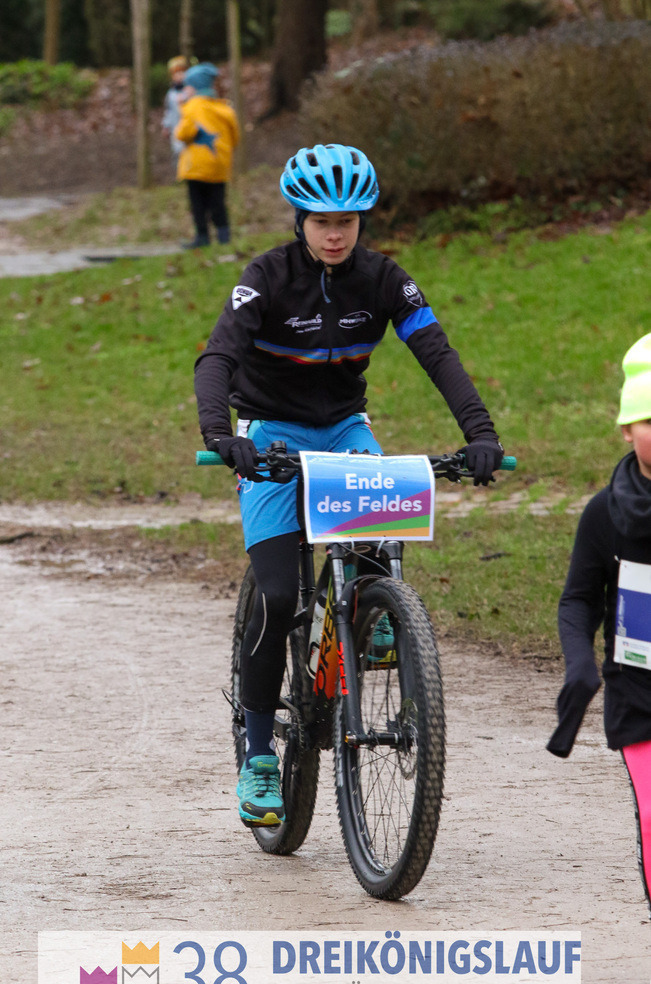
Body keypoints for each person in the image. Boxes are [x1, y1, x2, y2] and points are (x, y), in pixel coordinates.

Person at [194, 143, 505, 827]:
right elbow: (216, 357)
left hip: (342, 431)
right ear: (299, 219)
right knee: (277, 594)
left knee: (377, 540)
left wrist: (480, 435)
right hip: (271, 430)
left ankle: (371, 616)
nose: (335, 234)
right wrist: (224, 437)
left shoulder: (384, 280)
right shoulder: (266, 277)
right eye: (320, 221)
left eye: (348, 221)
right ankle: (257, 753)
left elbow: (436, 353)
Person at [547, 332, 651, 915]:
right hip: (641, 691)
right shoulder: (604, 513)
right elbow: (577, 600)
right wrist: (580, 664)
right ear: (626, 428)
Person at [174, 62, 239, 249]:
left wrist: (181, 107)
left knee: (198, 205)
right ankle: (224, 235)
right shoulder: (225, 108)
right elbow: (235, 138)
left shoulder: (192, 107)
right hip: (219, 165)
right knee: (218, 202)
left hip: (197, 167)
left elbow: (183, 134)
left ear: (193, 88)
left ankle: (202, 237)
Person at [161, 56, 191, 166]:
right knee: (178, 151)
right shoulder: (170, 94)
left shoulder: (190, 91)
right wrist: (166, 125)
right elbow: (168, 111)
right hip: (176, 127)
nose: (179, 76)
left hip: (189, 127)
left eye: (181, 72)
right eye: (176, 74)